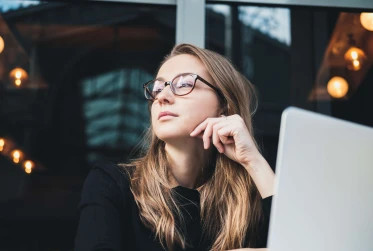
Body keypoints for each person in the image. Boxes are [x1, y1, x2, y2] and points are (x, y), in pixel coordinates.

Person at [74, 43, 275, 251]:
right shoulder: (112, 184)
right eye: (158, 88)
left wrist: (253, 160)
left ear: (224, 103)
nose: (161, 97)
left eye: (183, 84)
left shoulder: (249, 199)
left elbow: (300, 239)